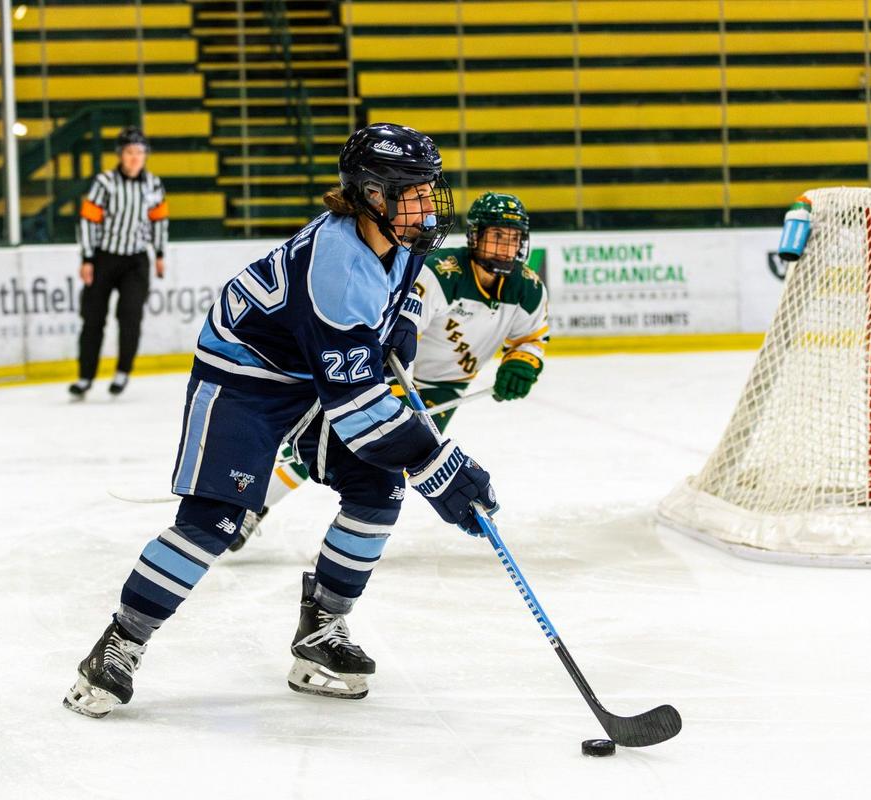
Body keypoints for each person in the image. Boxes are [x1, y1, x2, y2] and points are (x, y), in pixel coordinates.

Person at [63, 123, 500, 717]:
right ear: (371, 194)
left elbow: (409, 283)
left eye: (429, 188)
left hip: (305, 370)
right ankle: (119, 644)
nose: (427, 204)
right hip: (243, 376)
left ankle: (321, 631)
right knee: (215, 519)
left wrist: (402, 318)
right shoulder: (339, 266)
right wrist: (439, 465)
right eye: (412, 190)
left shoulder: (402, 235)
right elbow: (359, 412)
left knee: (376, 485)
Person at [232, 191, 549, 550]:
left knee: (394, 466)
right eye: (496, 236)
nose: (504, 247)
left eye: (512, 239)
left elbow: (532, 337)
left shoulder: (529, 289)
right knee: (340, 445)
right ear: (476, 236)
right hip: (396, 374)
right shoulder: (444, 273)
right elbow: (405, 326)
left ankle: (356, 533)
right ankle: (251, 505)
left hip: (448, 387)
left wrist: (522, 363)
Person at [70, 126, 168, 399]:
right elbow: (89, 221)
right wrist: (87, 257)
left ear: (146, 155)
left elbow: (159, 221)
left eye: (139, 152)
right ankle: (85, 377)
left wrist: (159, 254)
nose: (135, 157)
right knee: (92, 319)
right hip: (104, 258)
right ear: (120, 155)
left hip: (136, 261)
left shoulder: (154, 185)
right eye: (129, 152)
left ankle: (123, 371)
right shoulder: (105, 183)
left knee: (130, 316)